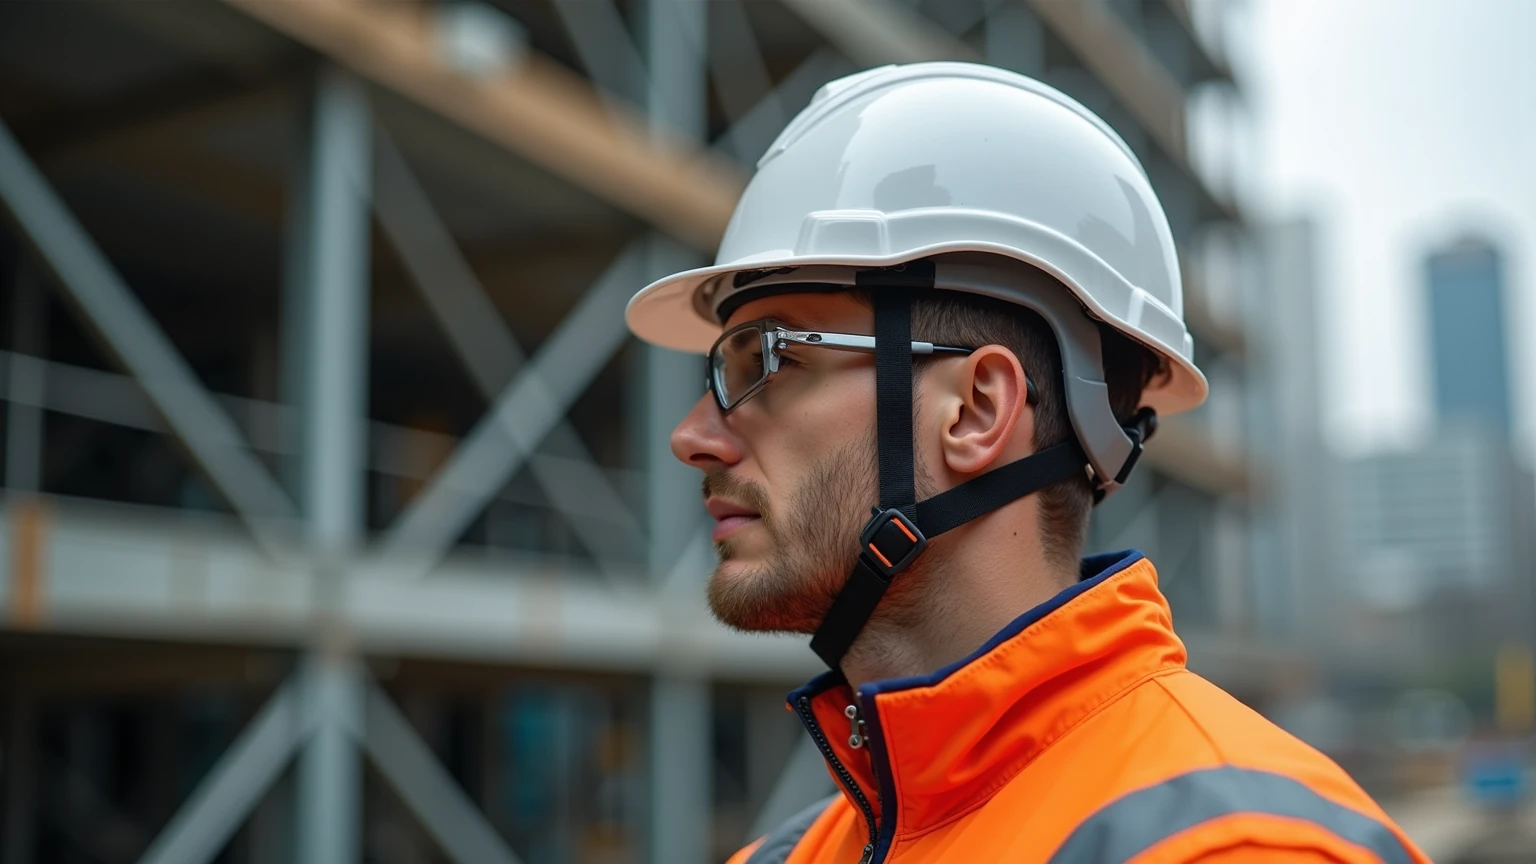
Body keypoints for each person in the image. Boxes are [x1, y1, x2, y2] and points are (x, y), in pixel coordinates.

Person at [626, 63, 1428, 863]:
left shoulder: (1235, 849)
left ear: (976, 411)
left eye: (764, 359)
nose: (694, 435)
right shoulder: (787, 857)